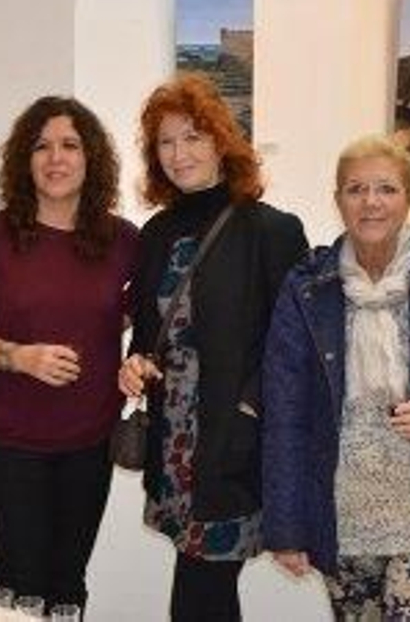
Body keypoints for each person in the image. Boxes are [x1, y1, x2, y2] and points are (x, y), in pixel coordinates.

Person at [262, 136, 410, 620]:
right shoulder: (306, 288)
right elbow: (284, 413)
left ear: (408, 199)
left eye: (386, 189)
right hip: (340, 510)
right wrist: (286, 526)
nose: (371, 202)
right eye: (356, 189)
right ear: (338, 201)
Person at [118, 74, 309, 621]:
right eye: (166, 141)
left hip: (231, 444)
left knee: (203, 590)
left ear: (223, 141)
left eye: (193, 137)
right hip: (173, 442)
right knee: (203, 586)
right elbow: (147, 331)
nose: (179, 154)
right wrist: (135, 362)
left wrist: (250, 413)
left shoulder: (271, 230)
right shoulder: (156, 233)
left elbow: (292, 347)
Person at [0, 96, 139, 611]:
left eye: (70, 145)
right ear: (23, 161)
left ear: (90, 158)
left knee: (69, 583)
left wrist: (133, 351)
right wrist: (18, 357)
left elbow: (151, 319)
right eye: (42, 146)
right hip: (10, 442)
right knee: (18, 583)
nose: (56, 158)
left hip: (89, 441)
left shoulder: (122, 240)